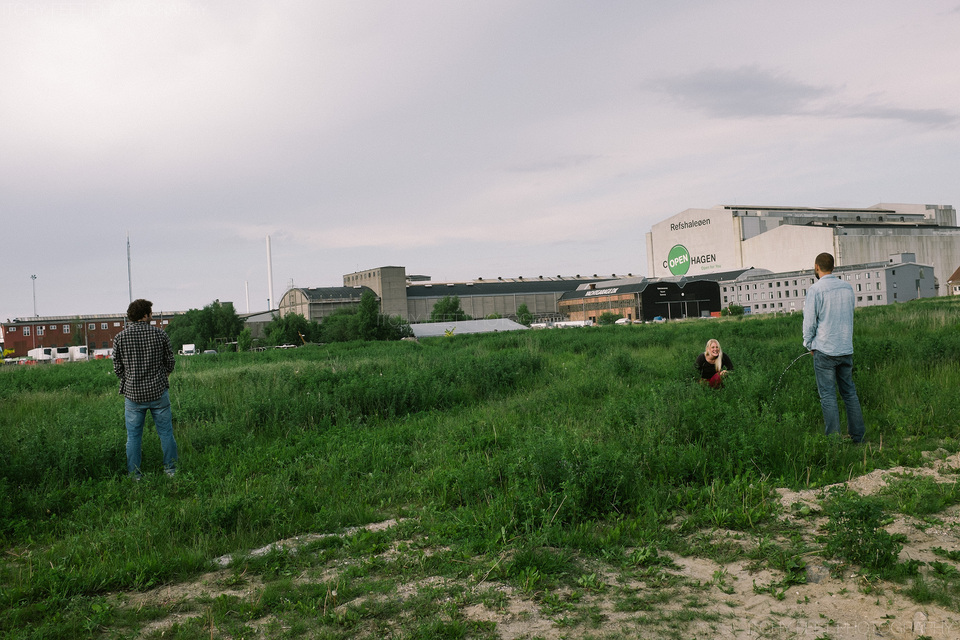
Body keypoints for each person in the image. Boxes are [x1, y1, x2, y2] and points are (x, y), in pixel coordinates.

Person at [802, 252, 866, 443]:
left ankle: (834, 441)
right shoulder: (847, 288)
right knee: (849, 393)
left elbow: (809, 322)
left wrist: (808, 344)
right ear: (833, 267)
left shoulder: (815, 290)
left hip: (825, 349)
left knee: (828, 396)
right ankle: (858, 438)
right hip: (845, 347)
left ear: (816, 267)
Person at [113, 299, 178, 478]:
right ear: (145, 315)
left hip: (133, 396)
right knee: (166, 433)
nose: (152, 315)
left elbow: (117, 367)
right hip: (158, 393)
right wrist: (162, 377)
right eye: (151, 312)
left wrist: (130, 380)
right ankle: (170, 471)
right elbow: (170, 362)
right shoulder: (160, 335)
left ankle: (135, 476)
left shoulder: (120, 337)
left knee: (133, 437)